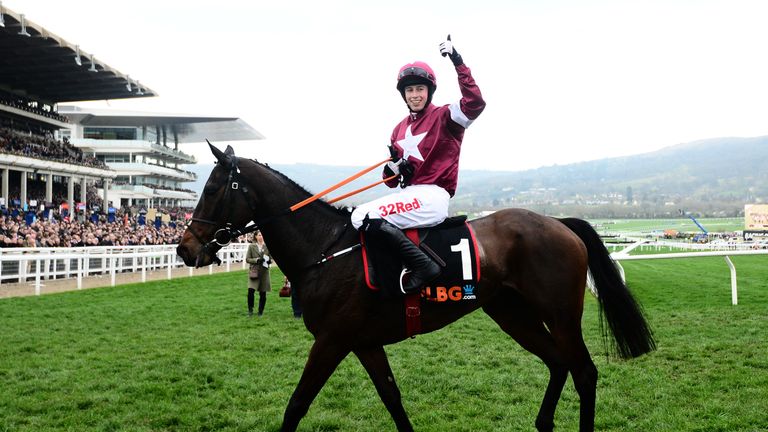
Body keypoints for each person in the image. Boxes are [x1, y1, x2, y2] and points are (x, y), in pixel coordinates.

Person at [350, 35, 486, 293]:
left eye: (420, 89)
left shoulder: (446, 116)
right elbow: (391, 182)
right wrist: (392, 171)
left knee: (361, 217)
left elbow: (475, 103)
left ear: (429, 91)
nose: (415, 95)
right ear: (404, 94)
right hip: (409, 195)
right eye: (410, 90)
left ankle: (424, 267)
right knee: (358, 215)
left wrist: (458, 61)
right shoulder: (398, 129)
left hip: (433, 197)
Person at [245, 231, 271, 317]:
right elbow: (247, 259)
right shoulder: (251, 246)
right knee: (250, 291)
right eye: (259, 235)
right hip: (254, 271)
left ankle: (260, 312)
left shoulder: (267, 246)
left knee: (263, 293)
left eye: (262, 235)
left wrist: (269, 261)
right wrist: (256, 260)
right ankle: (250, 310)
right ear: (256, 236)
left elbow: (270, 258)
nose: (261, 236)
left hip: (264, 272)